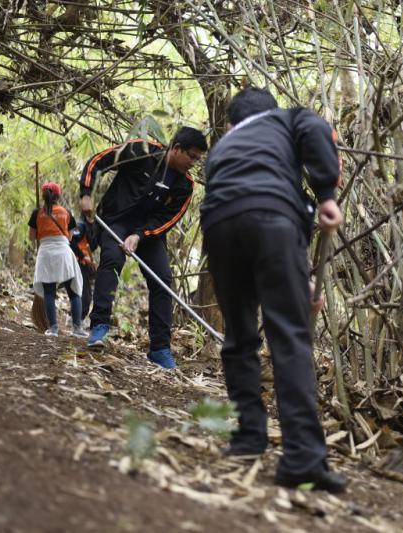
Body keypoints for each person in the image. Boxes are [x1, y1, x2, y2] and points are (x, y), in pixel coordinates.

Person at [201, 87, 347, 493]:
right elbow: (316, 132)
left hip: (219, 223)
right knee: (289, 336)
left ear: (231, 124)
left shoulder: (222, 149)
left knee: (239, 337)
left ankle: (249, 438)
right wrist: (327, 195)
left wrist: (301, 278)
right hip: (273, 218)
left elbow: (248, 196)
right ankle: (302, 458)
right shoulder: (288, 119)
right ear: (271, 112)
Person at [78, 127, 208, 369]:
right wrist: (86, 193)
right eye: (191, 156)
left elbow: (166, 221)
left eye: (197, 159)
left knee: (162, 279)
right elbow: (98, 161)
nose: (193, 163)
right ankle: (99, 327)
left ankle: (160, 348)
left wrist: (139, 236)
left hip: (149, 234)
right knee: (112, 260)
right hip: (116, 220)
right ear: (176, 148)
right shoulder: (142, 151)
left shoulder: (185, 186)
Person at [28, 181, 86, 338]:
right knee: (73, 290)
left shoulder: (37, 213)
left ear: (43, 195)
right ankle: (77, 329)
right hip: (63, 252)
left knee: (49, 292)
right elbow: (71, 235)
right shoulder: (66, 212)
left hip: (45, 253)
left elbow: (31, 237)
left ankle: (53, 328)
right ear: (58, 196)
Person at [69, 215, 98, 323]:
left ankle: (77, 319)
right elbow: (71, 241)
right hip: (78, 262)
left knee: (82, 293)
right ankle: (77, 320)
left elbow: (90, 245)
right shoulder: (81, 225)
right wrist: (82, 256)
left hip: (84, 263)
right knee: (85, 295)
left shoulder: (93, 228)